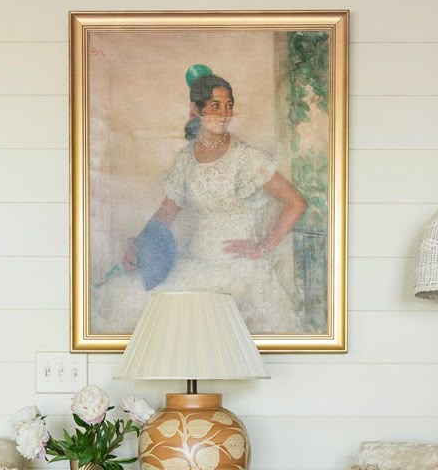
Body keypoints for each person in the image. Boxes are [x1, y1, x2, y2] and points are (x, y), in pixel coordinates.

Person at [95, 64, 307, 333]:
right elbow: (167, 211)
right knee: (126, 295)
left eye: (228, 106)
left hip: (237, 270)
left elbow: (296, 203)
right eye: (216, 106)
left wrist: (264, 246)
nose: (224, 114)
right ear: (196, 110)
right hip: (195, 263)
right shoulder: (186, 158)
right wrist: (137, 245)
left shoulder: (245, 157)